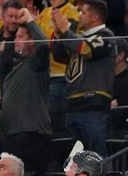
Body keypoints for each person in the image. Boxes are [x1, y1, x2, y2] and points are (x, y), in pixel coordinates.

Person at [52, 0, 115, 156]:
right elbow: (59, 56)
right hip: (73, 104)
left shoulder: (105, 35)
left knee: (96, 153)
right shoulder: (78, 38)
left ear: (94, 17)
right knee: (78, 156)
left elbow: (87, 50)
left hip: (93, 105)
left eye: (83, 12)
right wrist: (59, 33)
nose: (79, 15)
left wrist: (66, 30)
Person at [0, 8, 51, 176]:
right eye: (16, 36)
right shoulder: (16, 68)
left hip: (32, 134)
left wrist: (30, 21)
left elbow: (44, 45)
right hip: (14, 134)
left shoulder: (36, 63)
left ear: (32, 42)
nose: (15, 40)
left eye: (21, 36)